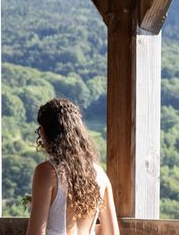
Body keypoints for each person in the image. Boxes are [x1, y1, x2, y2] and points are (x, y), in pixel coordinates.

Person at [27, 98, 119, 235]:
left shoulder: (46, 172)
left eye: (40, 128)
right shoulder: (100, 175)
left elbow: (35, 233)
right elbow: (112, 233)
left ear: (48, 132)